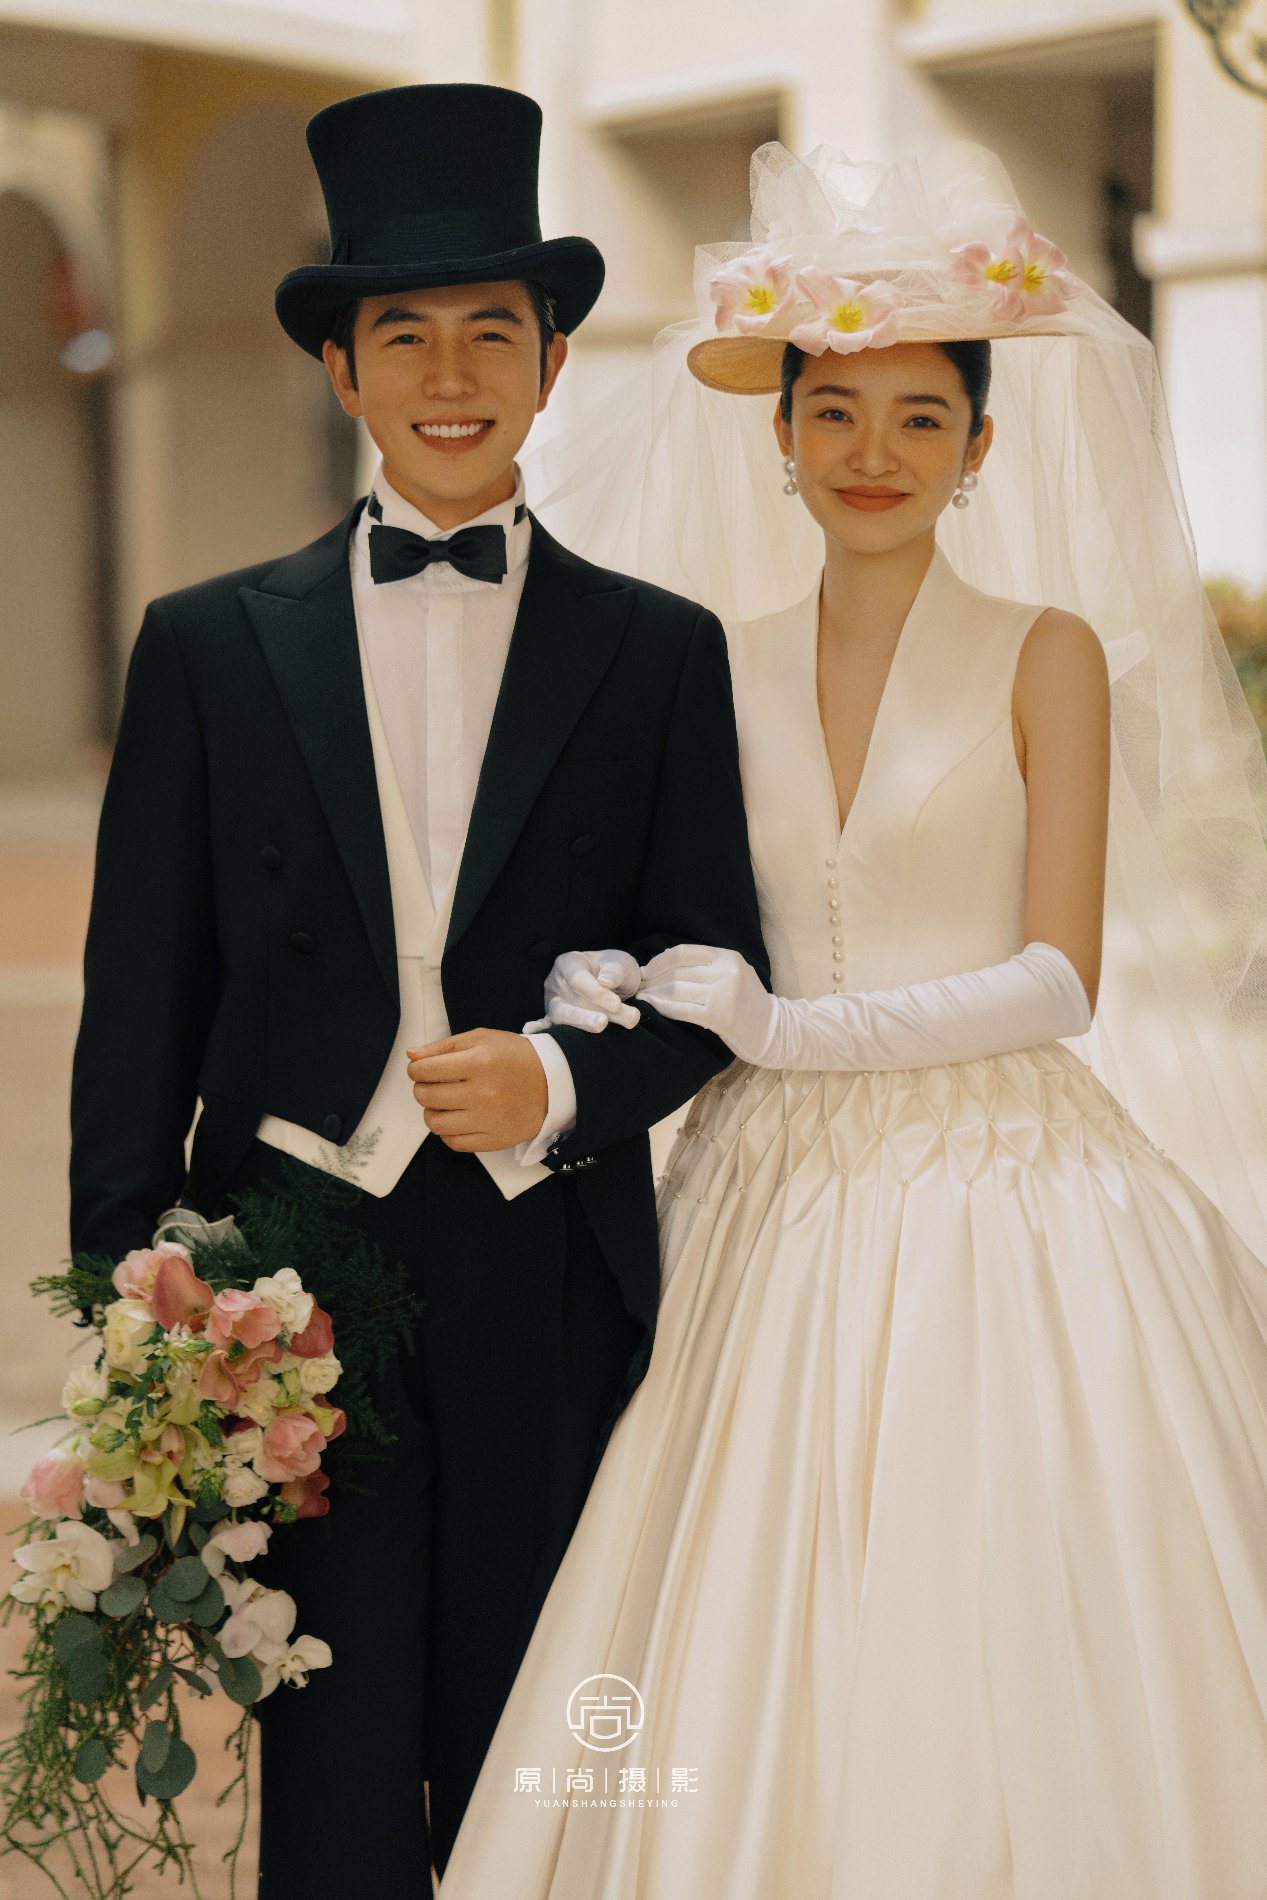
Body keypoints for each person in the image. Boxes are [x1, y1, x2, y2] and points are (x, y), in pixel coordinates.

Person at [438, 141, 1267, 1896]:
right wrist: (605, 984)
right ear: (783, 434)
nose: (871, 452)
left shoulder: (1048, 651)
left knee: (1006, 1592)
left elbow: (1061, 980)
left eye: (917, 417)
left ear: (979, 448)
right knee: (729, 1570)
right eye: (834, 412)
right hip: (765, 1194)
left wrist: (787, 1028)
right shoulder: (699, 659)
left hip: (1006, 1184)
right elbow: (668, 917)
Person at [67, 83, 767, 1890]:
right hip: (291, 1283)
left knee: (551, 1749)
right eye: (404, 337)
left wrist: (565, 1083)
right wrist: (136, 1295)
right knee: (337, 1766)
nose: (450, 376)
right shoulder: (207, 645)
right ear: (342, 371)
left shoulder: (658, 651)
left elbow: (719, 967)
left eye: (491, 334)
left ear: (553, 361)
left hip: (550, 1270)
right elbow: (139, 996)